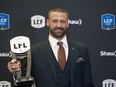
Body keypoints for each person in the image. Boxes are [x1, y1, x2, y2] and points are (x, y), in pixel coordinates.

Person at [7, 7, 94, 87]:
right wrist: (16, 73)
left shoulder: (81, 49)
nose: (59, 25)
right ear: (48, 22)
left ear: (68, 24)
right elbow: (25, 83)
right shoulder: (33, 52)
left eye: (62, 21)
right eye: (55, 21)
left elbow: (88, 83)